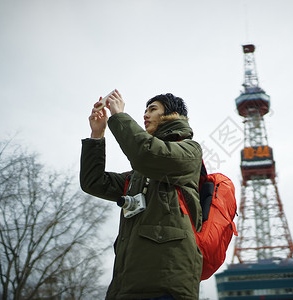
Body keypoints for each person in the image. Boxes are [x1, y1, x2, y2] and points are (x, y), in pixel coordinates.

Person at [80, 90, 203, 300]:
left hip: (166, 287)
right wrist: (97, 135)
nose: (145, 115)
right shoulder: (139, 175)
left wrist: (118, 116)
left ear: (172, 115)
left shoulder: (189, 151)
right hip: (125, 286)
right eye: (144, 110)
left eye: (153, 109)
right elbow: (93, 182)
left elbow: (147, 154)